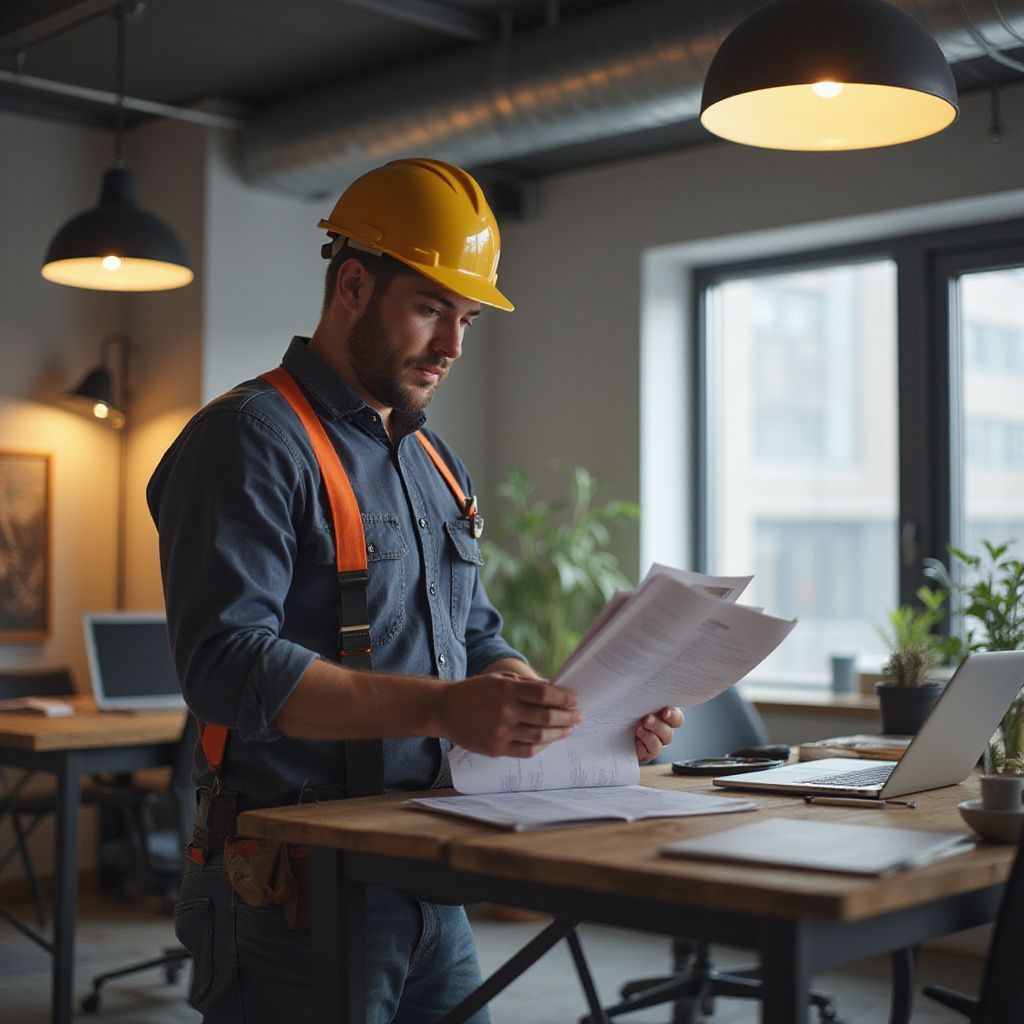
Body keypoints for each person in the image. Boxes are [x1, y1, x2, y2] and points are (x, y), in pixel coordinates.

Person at [147, 157, 684, 1024]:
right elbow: (225, 665)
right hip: (292, 882)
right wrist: (443, 710)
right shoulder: (248, 440)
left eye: (466, 317)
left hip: (429, 865)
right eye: (432, 309)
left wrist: (550, 704)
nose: (454, 346)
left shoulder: (434, 463)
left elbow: (474, 635)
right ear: (352, 286)